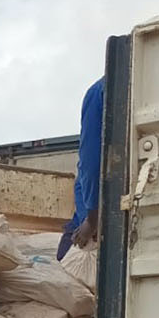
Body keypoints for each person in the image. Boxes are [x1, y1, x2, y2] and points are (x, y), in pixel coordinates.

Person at [60, 77, 105, 261]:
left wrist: (91, 220)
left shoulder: (98, 92)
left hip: (93, 214)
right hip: (95, 210)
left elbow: (90, 162)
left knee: (64, 258)